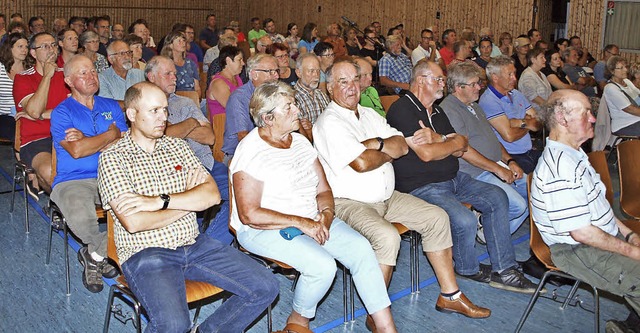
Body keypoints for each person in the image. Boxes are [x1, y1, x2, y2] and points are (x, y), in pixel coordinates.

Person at [313, 60, 491, 322]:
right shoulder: (329, 122)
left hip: (388, 197)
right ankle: (378, 313)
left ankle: (450, 296)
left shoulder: (370, 115)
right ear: (330, 88)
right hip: (351, 203)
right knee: (387, 237)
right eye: (343, 82)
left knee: (436, 217)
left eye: (355, 80)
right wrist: (386, 151)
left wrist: (376, 144)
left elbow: (403, 146)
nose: (352, 87)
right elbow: (362, 164)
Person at [97, 81, 279, 333]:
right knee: (173, 324)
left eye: (164, 110)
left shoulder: (178, 146)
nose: (163, 117)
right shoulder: (113, 157)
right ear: (131, 114)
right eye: (154, 111)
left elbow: (213, 196)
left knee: (265, 286)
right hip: (147, 253)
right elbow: (135, 222)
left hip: (194, 244)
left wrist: (161, 201)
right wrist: (189, 203)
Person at [230, 81, 397, 333]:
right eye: (289, 107)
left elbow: (323, 190)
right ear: (267, 118)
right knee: (322, 266)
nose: (297, 111)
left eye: (294, 104)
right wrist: (302, 223)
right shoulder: (251, 151)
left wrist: (327, 215)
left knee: (362, 249)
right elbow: (250, 214)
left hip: (312, 219)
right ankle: (298, 321)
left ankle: (386, 328)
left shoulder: (299, 143)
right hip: (264, 228)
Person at [386, 60, 538, 293]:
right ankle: (467, 268)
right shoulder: (402, 109)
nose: (442, 84)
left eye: (442, 79)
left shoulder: (436, 110)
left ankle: (504, 270)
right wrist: (448, 142)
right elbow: (427, 154)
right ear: (420, 81)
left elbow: (462, 145)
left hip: (454, 177)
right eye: (437, 79)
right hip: (423, 185)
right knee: (465, 220)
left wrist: (439, 139)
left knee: (498, 197)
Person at [531, 89, 640, 333]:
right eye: (586, 113)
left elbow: (599, 206)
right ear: (562, 118)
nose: (593, 119)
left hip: (598, 236)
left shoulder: (575, 153)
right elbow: (582, 233)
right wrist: (632, 251)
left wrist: (630, 235)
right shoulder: (559, 168)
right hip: (577, 250)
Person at [51, 55, 127, 293]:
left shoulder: (111, 106)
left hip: (112, 174)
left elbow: (125, 144)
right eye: (83, 73)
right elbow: (76, 151)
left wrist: (88, 139)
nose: (91, 76)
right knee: (81, 214)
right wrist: (109, 135)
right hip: (73, 179)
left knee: (138, 209)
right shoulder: (62, 112)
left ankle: (93, 254)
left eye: (93, 71)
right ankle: (101, 251)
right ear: (69, 80)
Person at [145, 55, 233, 244]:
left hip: (205, 163)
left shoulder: (185, 103)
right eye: (168, 74)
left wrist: (176, 129)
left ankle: (209, 245)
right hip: (173, 170)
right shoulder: (143, 103)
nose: (174, 78)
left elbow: (209, 137)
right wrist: (192, 123)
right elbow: (162, 136)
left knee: (241, 193)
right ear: (151, 77)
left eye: (174, 74)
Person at [440, 62, 528, 236]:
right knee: (518, 206)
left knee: (534, 192)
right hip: (474, 172)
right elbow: (464, 151)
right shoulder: (449, 109)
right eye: (474, 84)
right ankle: (484, 225)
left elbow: (492, 139)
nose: (479, 87)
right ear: (458, 87)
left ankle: (493, 235)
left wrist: (509, 161)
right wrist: (498, 169)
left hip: (494, 165)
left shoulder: (474, 106)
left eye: (478, 83)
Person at [13, 32, 71, 195]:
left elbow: (74, 110)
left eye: (53, 45)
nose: (51, 49)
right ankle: (69, 208)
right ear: (33, 53)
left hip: (67, 133)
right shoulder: (23, 78)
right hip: (36, 139)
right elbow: (33, 109)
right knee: (49, 171)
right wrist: (47, 76)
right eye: (45, 46)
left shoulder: (66, 75)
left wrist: (41, 115)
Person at [479, 56, 542, 174]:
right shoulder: (489, 101)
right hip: (511, 157)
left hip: (529, 151)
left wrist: (519, 123)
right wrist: (528, 123)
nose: (514, 78)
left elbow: (538, 123)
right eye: (510, 75)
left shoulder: (517, 94)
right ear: (495, 77)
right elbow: (509, 136)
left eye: (514, 73)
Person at [222, 53, 279, 165]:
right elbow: (243, 137)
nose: (276, 76)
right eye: (270, 71)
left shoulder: (277, 94)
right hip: (240, 155)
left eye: (276, 71)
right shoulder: (239, 98)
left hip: (272, 149)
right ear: (254, 74)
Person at [0, 32, 32, 141]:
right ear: (10, 48)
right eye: (20, 47)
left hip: (27, 113)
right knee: (13, 128)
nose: (24, 50)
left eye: (26, 47)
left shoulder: (31, 70)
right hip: (4, 115)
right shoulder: (0, 69)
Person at [603, 56, 640, 136]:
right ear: (612, 71)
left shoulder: (626, 81)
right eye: (621, 68)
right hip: (625, 125)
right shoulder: (610, 88)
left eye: (625, 67)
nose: (626, 70)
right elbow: (630, 109)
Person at [206, 45, 243, 118]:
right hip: (223, 125)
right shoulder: (218, 83)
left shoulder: (237, 78)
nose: (243, 63)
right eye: (239, 60)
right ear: (228, 61)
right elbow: (234, 108)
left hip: (237, 121)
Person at [162, 31, 200, 95]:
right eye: (179, 41)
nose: (183, 43)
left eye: (183, 41)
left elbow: (197, 88)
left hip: (192, 98)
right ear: (170, 45)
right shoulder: (165, 64)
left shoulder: (190, 63)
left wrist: (195, 98)